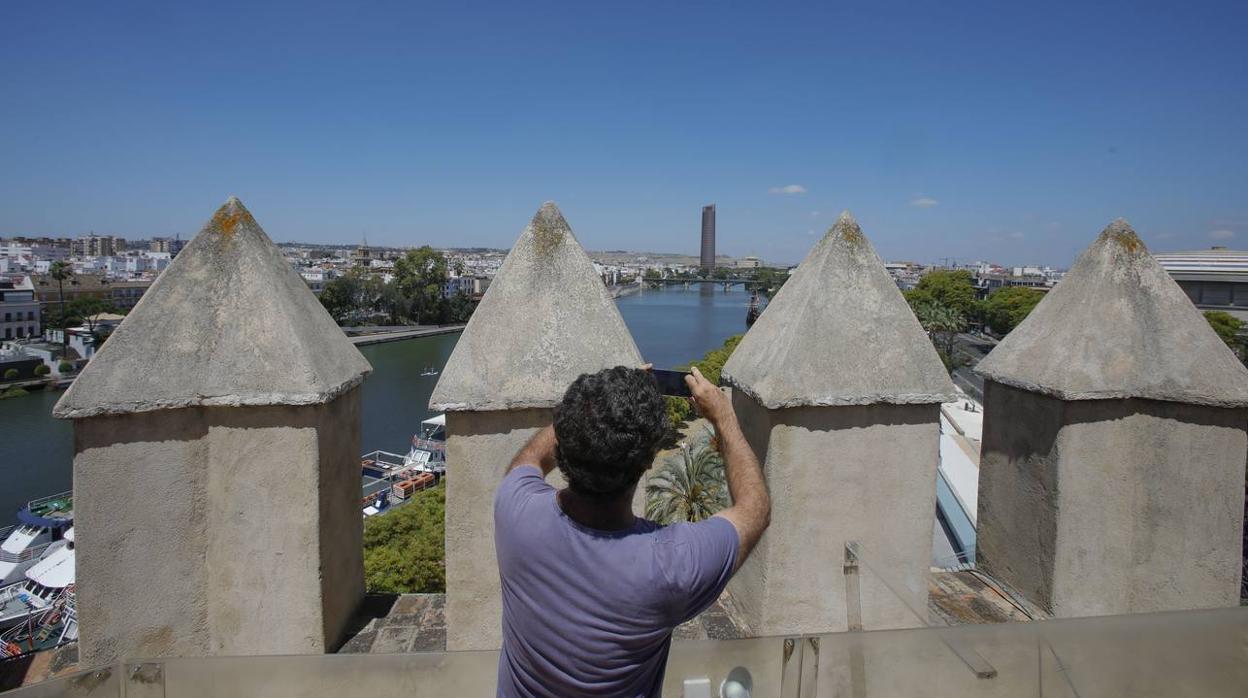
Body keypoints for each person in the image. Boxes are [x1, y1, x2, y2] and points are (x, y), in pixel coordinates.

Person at [493, 365, 771, 697]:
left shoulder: (515, 513)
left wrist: (593, 408)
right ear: (649, 461)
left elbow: (530, 460)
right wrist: (724, 417)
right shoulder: (669, 567)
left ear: (566, 437)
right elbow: (755, 510)